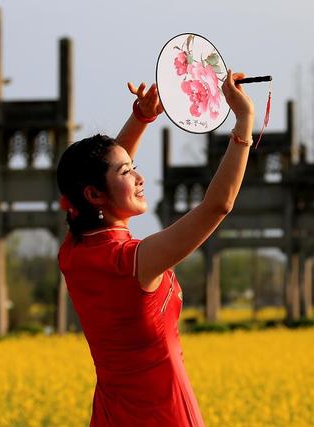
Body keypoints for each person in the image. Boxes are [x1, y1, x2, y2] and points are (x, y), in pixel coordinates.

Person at [57, 69, 255, 427]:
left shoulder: (73, 251)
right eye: (127, 173)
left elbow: (100, 179)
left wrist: (141, 119)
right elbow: (217, 206)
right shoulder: (133, 263)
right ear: (94, 195)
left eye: (136, 168)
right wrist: (243, 123)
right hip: (166, 414)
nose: (139, 177)